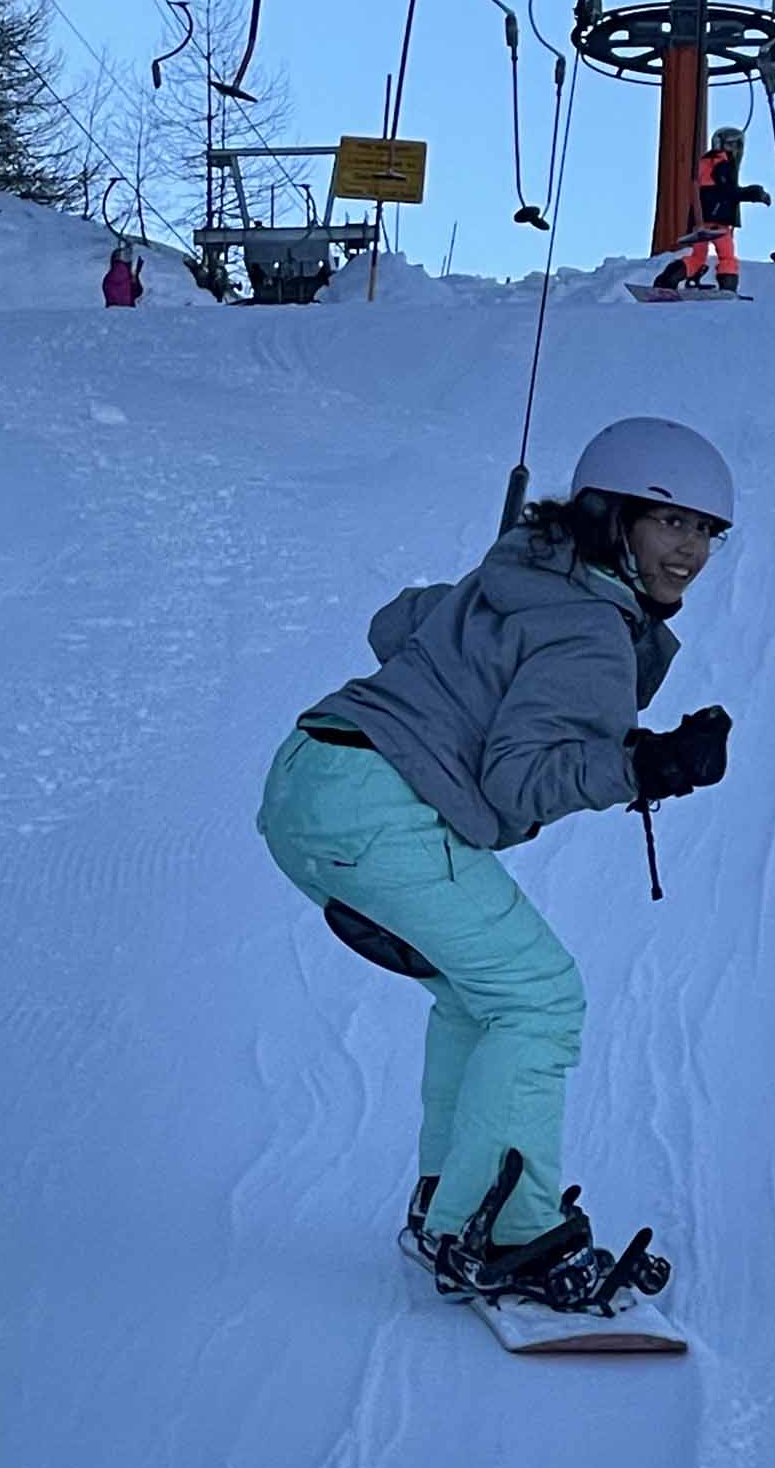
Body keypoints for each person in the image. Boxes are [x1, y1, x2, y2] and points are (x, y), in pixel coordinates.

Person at [256, 418, 735, 1311]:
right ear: (612, 515)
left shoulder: (522, 573)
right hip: (378, 801)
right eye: (671, 521)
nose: (691, 550)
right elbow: (514, 780)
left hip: (310, 778)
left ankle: (455, 1203)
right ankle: (511, 1232)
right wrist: (644, 766)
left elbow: (394, 623)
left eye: (708, 530)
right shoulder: (588, 627)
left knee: (479, 996)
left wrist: (480, 620)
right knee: (538, 997)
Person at [653, 126, 773, 294]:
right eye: (734, 145)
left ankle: (667, 280)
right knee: (726, 256)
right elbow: (728, 192)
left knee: (697, 257)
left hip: (700, 220)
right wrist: (756, 193)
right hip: (718, 219)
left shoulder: (704, 163)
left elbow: (704, 189)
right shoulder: (723, 165)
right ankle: (727, 288)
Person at [102, 242, 145, 307]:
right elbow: (138, 292)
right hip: (127, 311)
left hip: (112, 311)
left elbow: (107, 293)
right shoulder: (127, 276)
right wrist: (136, 276)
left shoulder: (108, 277)